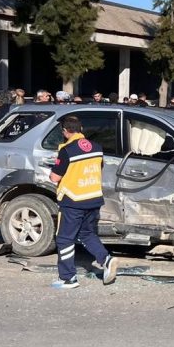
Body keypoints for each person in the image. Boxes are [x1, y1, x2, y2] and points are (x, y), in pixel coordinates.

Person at [48, 115, 118, 290]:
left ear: (65, 131)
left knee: (64, 239)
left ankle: (68, 278)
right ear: (81, 129)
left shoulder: (67, 150)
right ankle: (106, 259)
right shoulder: (96, 147)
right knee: (87, 234)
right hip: (93, 199)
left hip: (73, 201)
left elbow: (55, 177)